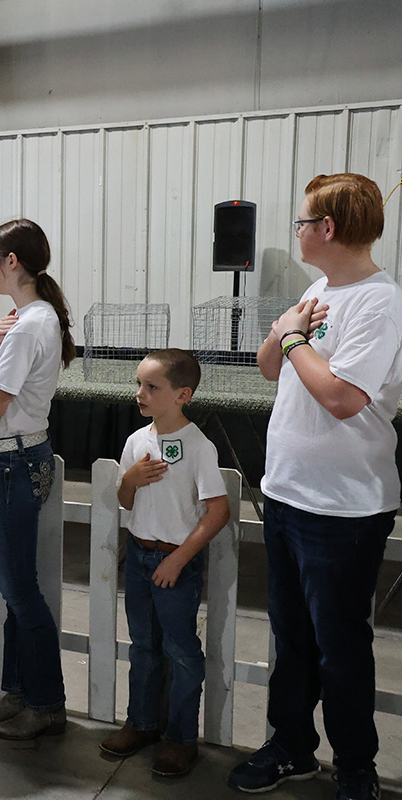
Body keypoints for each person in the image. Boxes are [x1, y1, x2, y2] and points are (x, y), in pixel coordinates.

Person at [228, 173, 400, 800]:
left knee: (340, 644)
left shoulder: (380, 303)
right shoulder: (320, 289)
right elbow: (270, 367)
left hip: (344, 507)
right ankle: (292, 746)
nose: (297, 232)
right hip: (288, 495)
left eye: (302, 223)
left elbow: (340, 397)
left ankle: (356, 766)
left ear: (326, 229)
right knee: (291, 636)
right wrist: (283, 332)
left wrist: (296, 335)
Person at [0, 218, 72, 740]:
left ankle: (46, 703)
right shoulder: (33, 317)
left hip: (12, 463)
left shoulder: (27, 325)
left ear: (12, 262)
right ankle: (19, 692)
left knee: (20, 590)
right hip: (12, 460)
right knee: (13, 589)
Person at [100, 349, 230, 777]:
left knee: (180, 651)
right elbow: (124, 501)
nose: (140, 393)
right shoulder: (137, 441)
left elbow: (217, 511)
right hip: (138, 556)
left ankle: (180, 738)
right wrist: (130, 481)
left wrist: (178, 561)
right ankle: (141, 723)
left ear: (182, 394)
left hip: (174, 561)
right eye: (139, 384)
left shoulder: (198, 447)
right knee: (143, 646)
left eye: (152, 387)